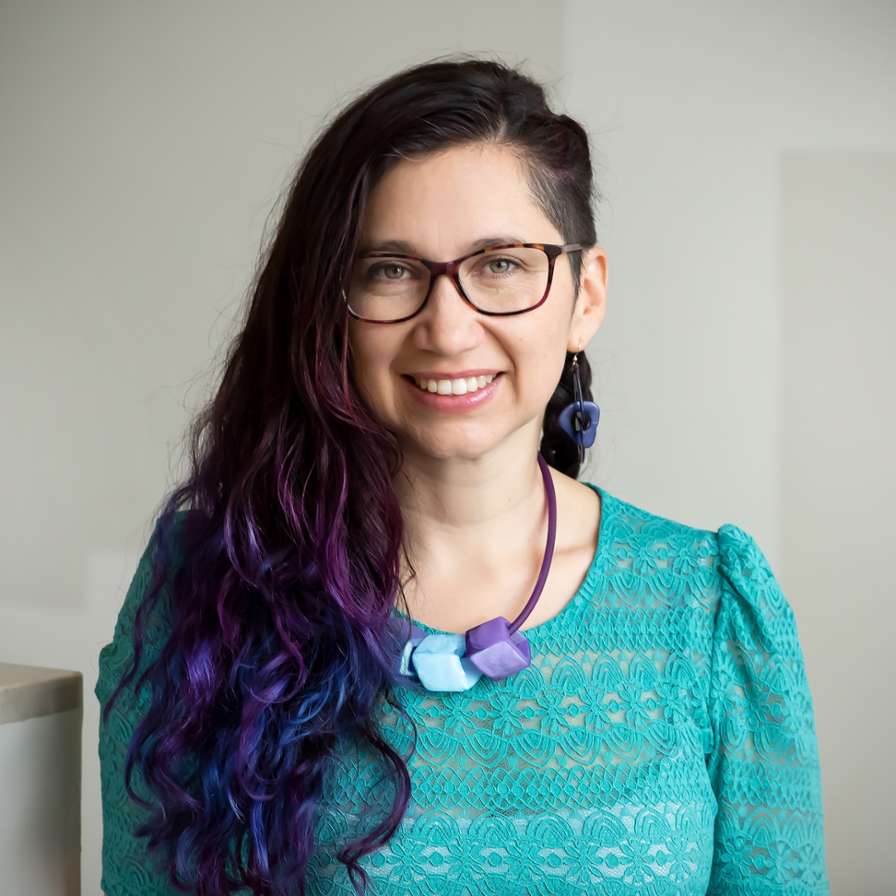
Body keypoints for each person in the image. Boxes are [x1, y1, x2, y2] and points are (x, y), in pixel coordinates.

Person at [95, 54, 830, 895]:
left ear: (585, 296)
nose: (447, 330)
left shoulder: (711, 608)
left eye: (501, 264)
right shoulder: (208, 588)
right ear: (331, 307)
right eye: (391, 270)